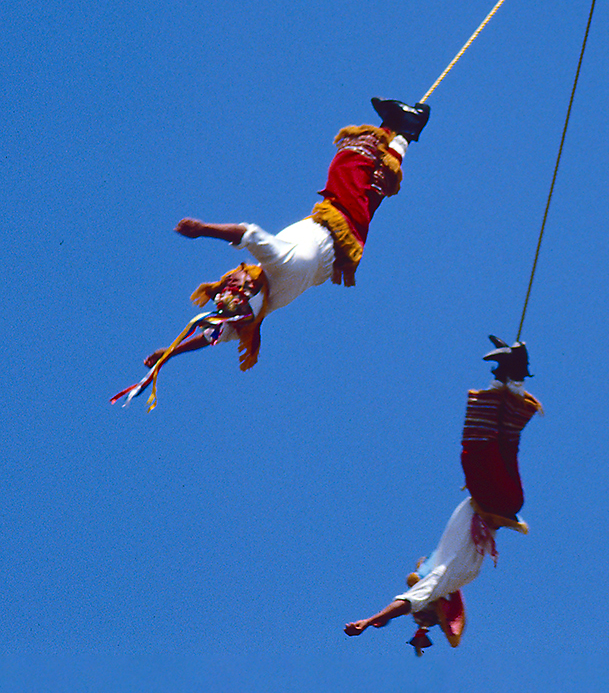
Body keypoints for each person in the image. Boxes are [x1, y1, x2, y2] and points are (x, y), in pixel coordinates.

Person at [111, 97, 429, 408]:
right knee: (348, 162)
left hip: (345, 242)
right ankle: (398, 125)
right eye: (233, 280)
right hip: (337, 221)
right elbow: (246, 233)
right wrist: (203, 229)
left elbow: (210, 334)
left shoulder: (259, 309)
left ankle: (403, 131)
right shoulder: (275, 265)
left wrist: (169, 353)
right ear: (249, 287)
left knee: (375, 183)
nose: (234, 272)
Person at [345, 338, 541, 653]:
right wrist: (372, 620)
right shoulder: (444, 579)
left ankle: (512, 372)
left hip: (500, 500)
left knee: (502, 441)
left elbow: (417, 584)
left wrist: (388, 619)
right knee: (478, 449)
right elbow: (410, 600)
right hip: (495, 500)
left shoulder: (445, 566)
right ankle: (510, 373)